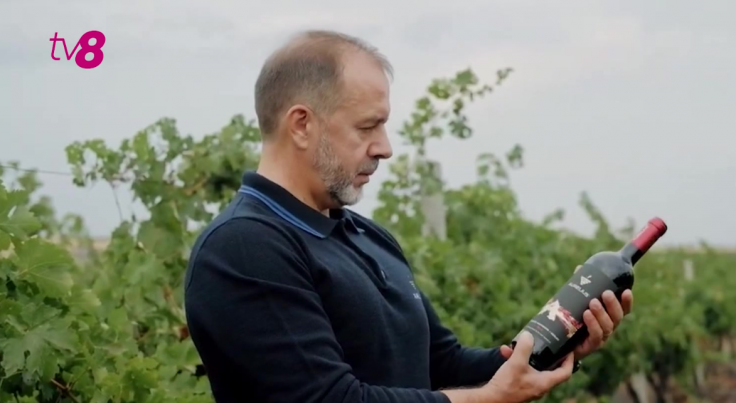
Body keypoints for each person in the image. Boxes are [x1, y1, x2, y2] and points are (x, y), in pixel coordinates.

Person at [183, 29, 634, 403]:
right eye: (367, 126)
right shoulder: (245, 246)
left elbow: (443, 366)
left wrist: (554, 346)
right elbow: (329, 398)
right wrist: (490, 400)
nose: (385, 147)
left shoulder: (367, 237)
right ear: (302, 124)